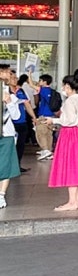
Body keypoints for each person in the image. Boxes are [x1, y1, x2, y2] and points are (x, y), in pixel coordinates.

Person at [45, 69, 78, 211]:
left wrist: (53, 120)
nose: (63, 89)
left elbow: (69, 120)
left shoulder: (70, 102)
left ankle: (72, 202)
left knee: (71, 166)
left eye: (64, 86)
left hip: (70, 135)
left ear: (67, 86)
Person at [0, 64, 23, 207]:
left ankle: (1, 195)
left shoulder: (11, 94)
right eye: (8, 73)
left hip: (6, 133)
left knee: (6, 165)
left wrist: (9, 102)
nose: (11, 76)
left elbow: (16, 116)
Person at [34, 73, 59, 161]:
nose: (39, 82)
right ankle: (48, 151)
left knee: (40, 133)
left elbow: (31, 84)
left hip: (43, 116)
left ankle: (45, 150)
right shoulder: (52, 91)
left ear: (44, 82)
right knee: (49, 135)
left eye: (40, 80)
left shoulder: (43, 90)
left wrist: (29, 74)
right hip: (51, 116)